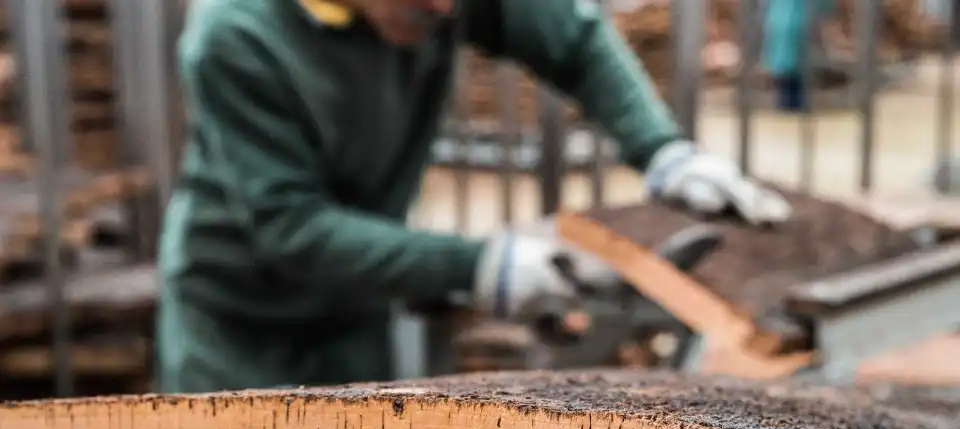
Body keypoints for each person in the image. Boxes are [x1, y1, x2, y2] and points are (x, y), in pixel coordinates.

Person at [157, 0, 792, 393]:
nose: (443, 9)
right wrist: (477, 265)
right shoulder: (237, 34)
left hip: (354, 311)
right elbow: (290, 226)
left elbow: (571, 36)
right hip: (240, 322)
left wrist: (662, 151)